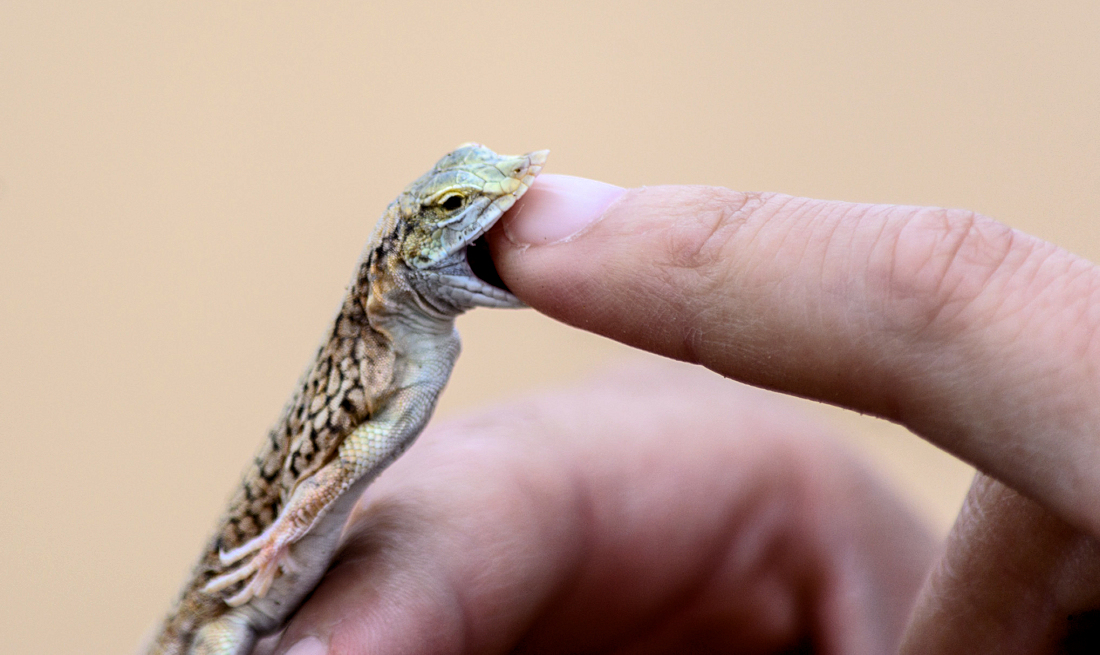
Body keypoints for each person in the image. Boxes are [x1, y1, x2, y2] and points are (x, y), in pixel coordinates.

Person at [260, 175, 1100, 654]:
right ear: (402, 255)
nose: (500, 204)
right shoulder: (391, 359)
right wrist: (284, 531)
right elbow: (347, 454)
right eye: (451, 209)